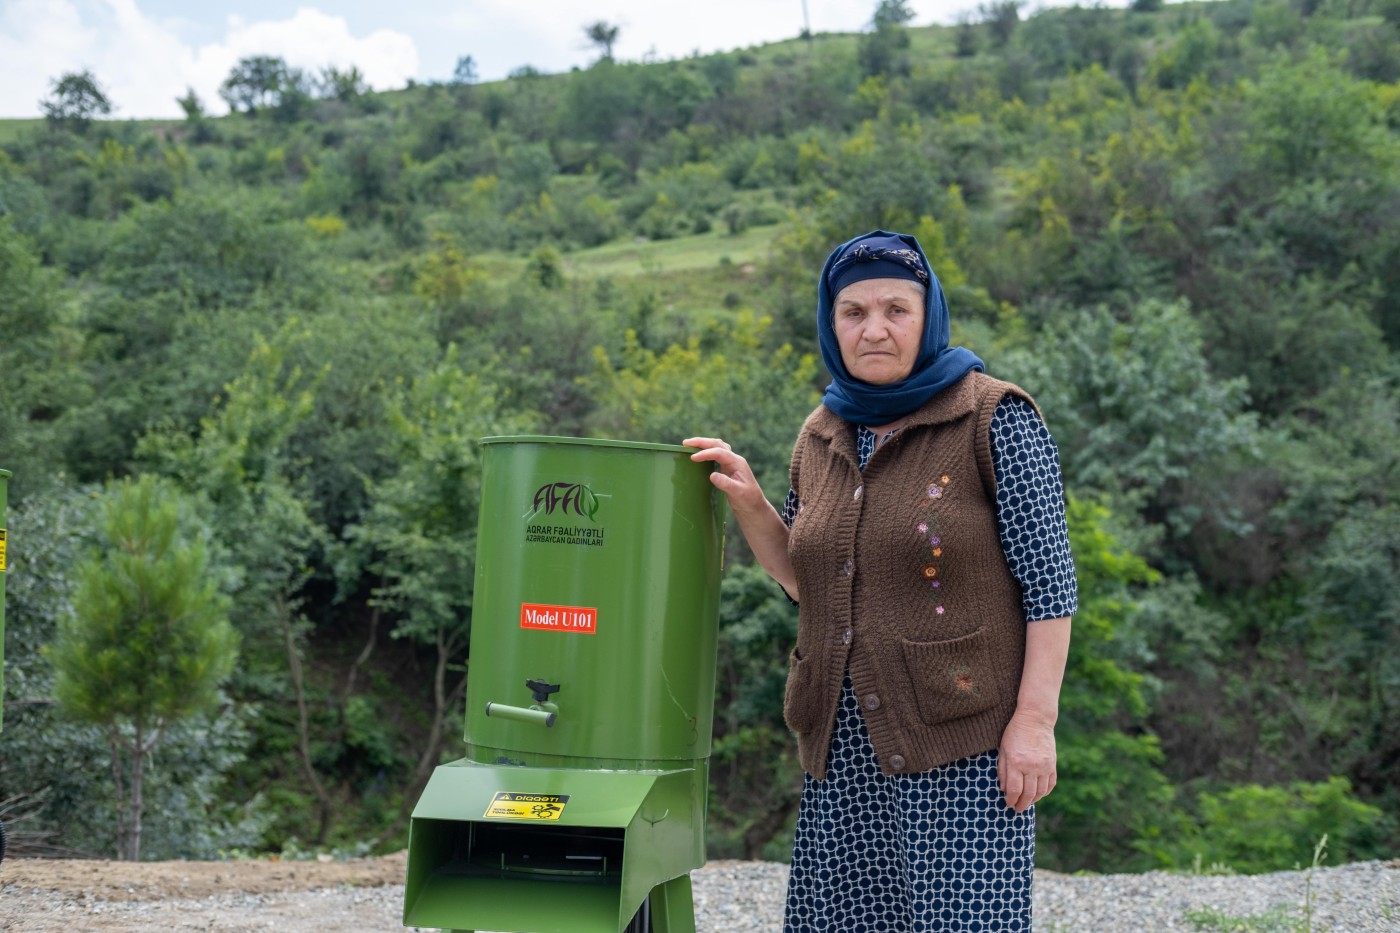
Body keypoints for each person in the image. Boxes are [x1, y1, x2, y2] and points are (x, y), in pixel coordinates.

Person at [684, 230, 1075, 932]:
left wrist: (1035, 723)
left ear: (929, 316)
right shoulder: (822, 432)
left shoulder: (995, 419)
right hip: (843, 743)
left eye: (896, 308)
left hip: (962, 744)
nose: (874, 329)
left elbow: (1049, 586)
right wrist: (749, 501)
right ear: (831, 325)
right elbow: (812, 585)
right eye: (853, 312)